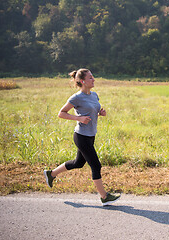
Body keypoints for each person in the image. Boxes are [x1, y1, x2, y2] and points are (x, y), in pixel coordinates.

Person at [44, 68, 120, 206]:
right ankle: (104, 197)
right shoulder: (76, 97)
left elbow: (91, 114)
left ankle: (51, 174)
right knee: (96, 165)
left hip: (91, 135)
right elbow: (61, 113)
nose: (94, 79)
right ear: (82, 81)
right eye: (91, 77)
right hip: (81, 136)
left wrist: (100, 114)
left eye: (93, 77)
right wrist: (78, 118)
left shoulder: (94, 95)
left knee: (78, 163)